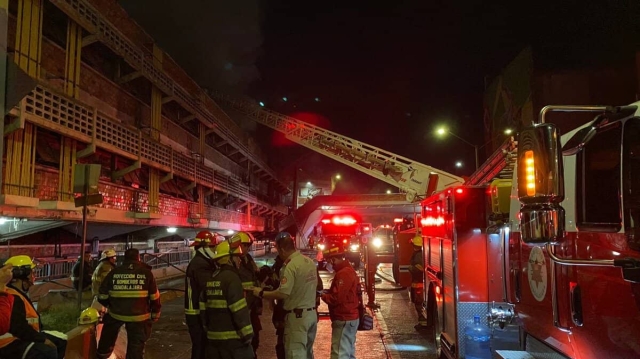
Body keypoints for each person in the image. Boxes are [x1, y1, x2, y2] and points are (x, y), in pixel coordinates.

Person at [251, 232, 318, 359]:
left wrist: (261, 293)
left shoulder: (290, 266)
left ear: (281, 249)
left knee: (295, 354)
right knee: (308, 353)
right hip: (311, 315)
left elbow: (283, 293)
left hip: (297, 318)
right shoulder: (309, 262)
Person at [96, 248, 161, 359]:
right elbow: (155, 297)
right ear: (138, 258)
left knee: (108, 335)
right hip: (139, 317)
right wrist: (155, 314)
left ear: (124, 258)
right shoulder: (146, 273)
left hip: (116, 314)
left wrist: (111, 305)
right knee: (136, 346)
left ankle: (103, 354)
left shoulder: (114, 272)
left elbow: (102, 296)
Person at [1, 255, 67, 358]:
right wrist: (43, 340)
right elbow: (19, 328)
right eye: (32, 272)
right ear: (23, 274)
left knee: (61, 342)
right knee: (48, 351)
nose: (34, 275)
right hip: (9, 343)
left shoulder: (16, 293)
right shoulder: (13, 296)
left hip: (19, 337)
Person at [199, 240, 254, 359]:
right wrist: (248, 335)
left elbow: (203, 309)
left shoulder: (210, 278)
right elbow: (239, 310)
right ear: (229, 258)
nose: (239, 260)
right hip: (232, 342)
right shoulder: (232, 278)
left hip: (213, 340)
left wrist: (208, 329)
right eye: (237, 257)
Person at [320, 242, 360, 359]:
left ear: (332, 260)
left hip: (344, 318)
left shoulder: (343, 274)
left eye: (328, 261)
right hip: (349, 317)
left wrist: (323, 296)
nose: (328, 264)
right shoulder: (348, 270)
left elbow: (336, 298)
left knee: (339, 354)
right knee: (348, 353)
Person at [185, 230, 219, 359]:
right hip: (196, 312)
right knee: (200, 346)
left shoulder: (202, 261)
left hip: (196, 310)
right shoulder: (200, 264)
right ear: (205, 247)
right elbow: (208, 288)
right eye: (212, 246)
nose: (215, 249)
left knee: (201, 346)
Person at [229, 231, 262, 358]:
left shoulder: (248, 259)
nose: (247, 248)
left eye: (248, 245)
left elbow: (255, 276)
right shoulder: (232, 261)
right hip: (241, 305)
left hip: (252, 304)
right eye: (245, 245)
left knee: (255, 338)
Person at [408, 232, 427, 329]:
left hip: (419, 283)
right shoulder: (420, 253)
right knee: (419, 303)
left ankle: (423, 322)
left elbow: (420, 268)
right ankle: (423, 321)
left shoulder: (418, 255)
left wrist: (411, 268)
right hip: (419, 282)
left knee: (419, 303)